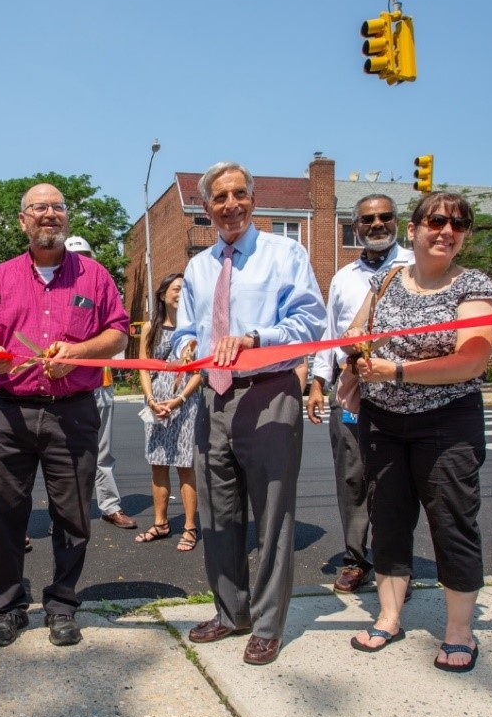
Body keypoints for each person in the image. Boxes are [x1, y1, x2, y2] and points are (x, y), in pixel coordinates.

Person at [170, 162, 327, 666]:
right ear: (206, 207)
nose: (231, 204)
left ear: (253, 200)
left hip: (269, 392)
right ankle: (230, 611)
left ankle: (266, 624)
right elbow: (184, 330)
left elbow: (311, 322)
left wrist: (258, 339)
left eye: (239, 194)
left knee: (273, 514)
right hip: (212, 397)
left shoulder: (285, 253)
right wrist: (186, 344)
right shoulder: (199, 267)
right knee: (217, 514)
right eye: (220, 197)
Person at [343, 192, 492, 674]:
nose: (447, 231)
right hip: (383, 421)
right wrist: (355, 359)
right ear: (413, 230)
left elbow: (471, 360)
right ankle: (389, 617)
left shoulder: (474, 286)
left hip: (446, 421)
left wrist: (397, 371)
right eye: (436, 221)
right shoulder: (387, 279)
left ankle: (459, 630)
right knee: (388, 519)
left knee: (452, 522)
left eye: (459, 224)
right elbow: (356, 334)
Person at [0, 183, 129, 648]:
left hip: (72, 413)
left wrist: (78, 353)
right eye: (39, 207)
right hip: (10, 412)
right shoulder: (0, 277)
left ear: (66, 218)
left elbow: (118, 333)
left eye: (57, 207)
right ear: (23, 220)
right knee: (5, 512)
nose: (49, 214)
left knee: (73, 514)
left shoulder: (94, 276)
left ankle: (62, 604)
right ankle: (8, 607)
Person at [308, 195, 413, 594]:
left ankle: (394, 564)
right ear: (355, 227)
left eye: (385, 216)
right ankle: (356, 559)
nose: (377, 224)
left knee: (395, 481)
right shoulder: (343, 277)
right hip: (351, 388)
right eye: (367, 219)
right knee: (352, 478)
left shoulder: (414, 267)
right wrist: (318, 382)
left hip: (403, 388)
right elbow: (329, 332)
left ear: (397, 221)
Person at [64, 235, 138, 530]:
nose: (81, 260)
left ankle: (109, 505)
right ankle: (66, 513)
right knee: (66, 454)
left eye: (85, 255)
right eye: (76, 255)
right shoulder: (58, 292)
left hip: (101, 383)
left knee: (102, 451)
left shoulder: (101, 288)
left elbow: (117, 332)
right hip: (69, 388)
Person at [136, 272, 203, 552]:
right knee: (158, 463)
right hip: (156, 404)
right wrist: (151, 400)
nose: (180, 293)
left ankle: (190, 526)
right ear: (163, 295)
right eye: (176, 289)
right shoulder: (150, 328)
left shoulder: (196, 327)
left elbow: (199, 371)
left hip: (185, 404)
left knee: (185, 465)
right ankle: (161, 523)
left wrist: (179, 399)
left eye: (184, 289)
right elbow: (143, 366)